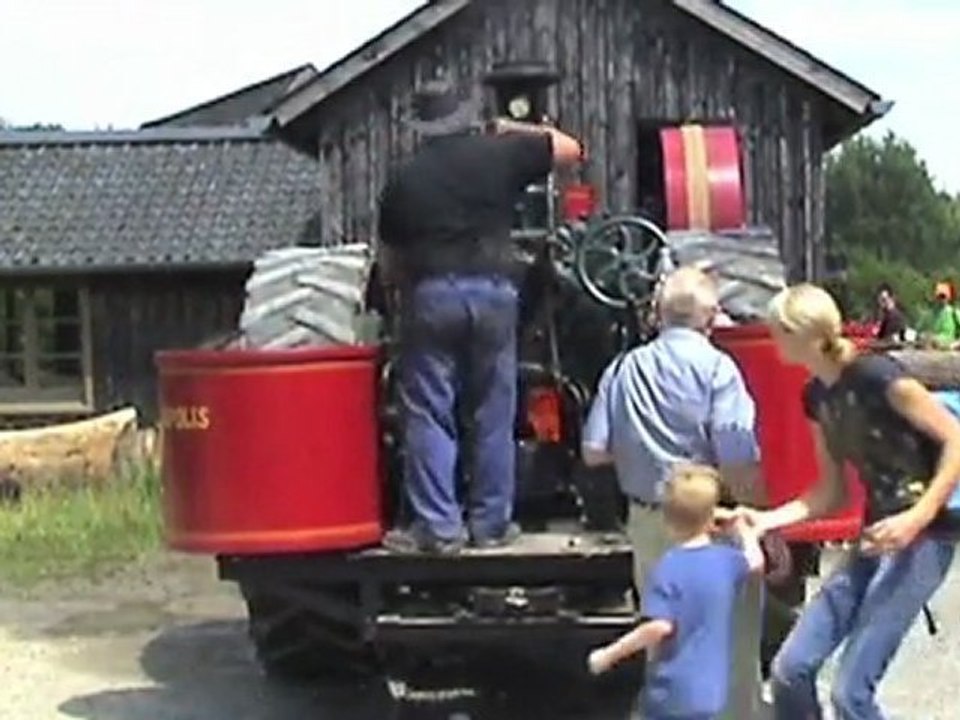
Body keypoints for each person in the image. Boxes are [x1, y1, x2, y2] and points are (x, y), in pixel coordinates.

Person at [376, 80, 583, 554]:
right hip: (495, 291)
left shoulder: (403, 180)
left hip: (430, 295)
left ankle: (438, 528)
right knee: (493, 409)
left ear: (422, 127)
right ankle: (491, 525)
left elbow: (390, 263)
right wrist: (508, 127)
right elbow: (573, 149)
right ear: (466, 117)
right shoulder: (500, 154)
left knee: (429, 412)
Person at [739, 282, 960, 720]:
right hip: (875, 536)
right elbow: (829, 493)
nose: (771, 335)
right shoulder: (817, 397)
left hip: (925, 537)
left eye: (777, 329)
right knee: (790, 671)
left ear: (801, 334)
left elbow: (956, 440)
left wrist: (916, 518)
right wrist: (765, 521)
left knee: (850, 693)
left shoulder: (879, 377)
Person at [580, 265, 766, 718]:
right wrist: (757, 517)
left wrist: (642, 451)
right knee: (732, 644)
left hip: (650, 520)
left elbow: (593, 450)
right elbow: (736, 453)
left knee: (665, 639)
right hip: (713, 523)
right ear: (711, 317)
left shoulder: (622, 369)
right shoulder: (719, 369)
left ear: (659, 314)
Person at [587, 464, 765, 720]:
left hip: (672, 692)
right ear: (712, 518)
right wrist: (744, 530)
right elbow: (756, 562)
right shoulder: (726, 561)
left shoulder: (669, 568)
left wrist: (609, 654)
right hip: (711, 691)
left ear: (667, 521)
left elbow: (659, 627)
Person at [919, 281, 960, 348]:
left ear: (949, 297)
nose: (941, 299)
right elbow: (919, 332)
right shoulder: (929, 314)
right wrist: (924, 337)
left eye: (943, 296)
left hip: (950, 353)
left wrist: (954, 345)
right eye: (939, 296)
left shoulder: (955, 313)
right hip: (931, 352)